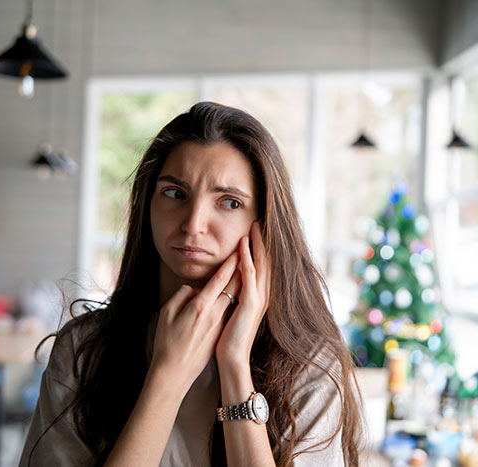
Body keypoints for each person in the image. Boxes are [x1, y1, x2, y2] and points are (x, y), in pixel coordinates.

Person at [20, 102, 364, 466]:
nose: (194, 223)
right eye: (175, 193)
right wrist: (167, 375)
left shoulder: (308, 367)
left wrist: (234, 364)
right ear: (147, 207)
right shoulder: (81, 350)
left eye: (229, 202)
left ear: (263, 226)